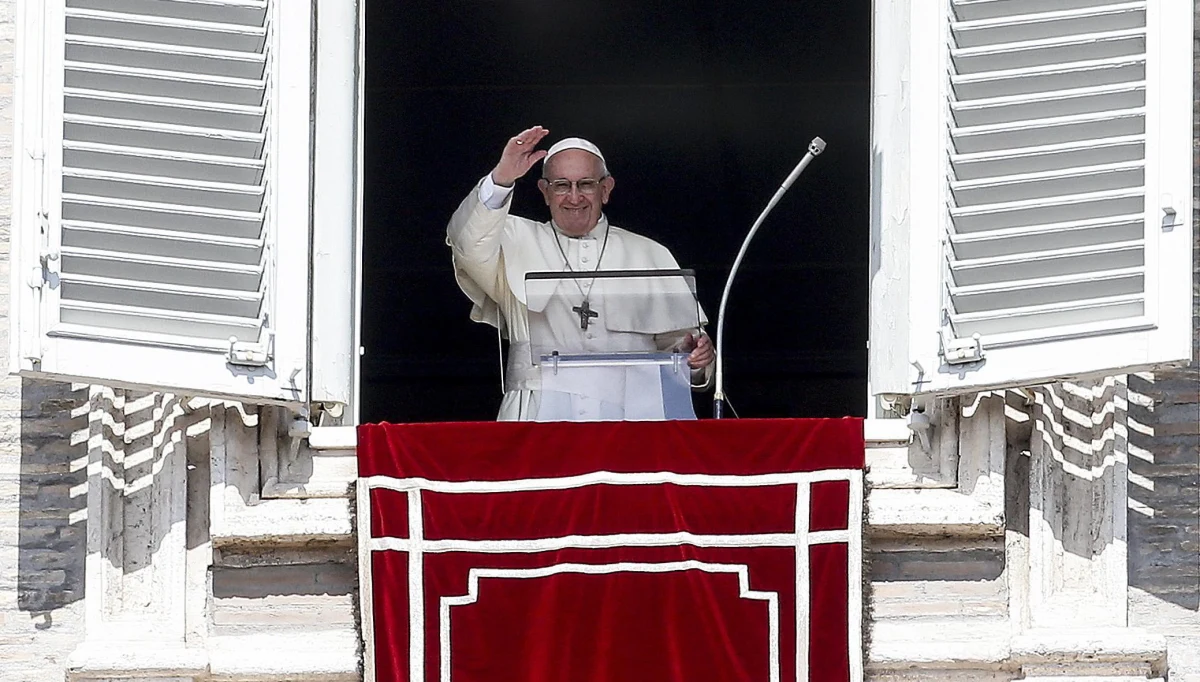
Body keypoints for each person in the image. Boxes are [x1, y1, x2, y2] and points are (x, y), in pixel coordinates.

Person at [447, 126, 715, 421]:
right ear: (545, 191)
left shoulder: (650, 253)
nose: (574, 197)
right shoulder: (510, 240)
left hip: (633, 414)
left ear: (606, 189)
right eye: (561, 185)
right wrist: (502, 178)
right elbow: (466, 241)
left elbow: (683, 351)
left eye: (586, 184)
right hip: (538, 411)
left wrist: (695, 359)